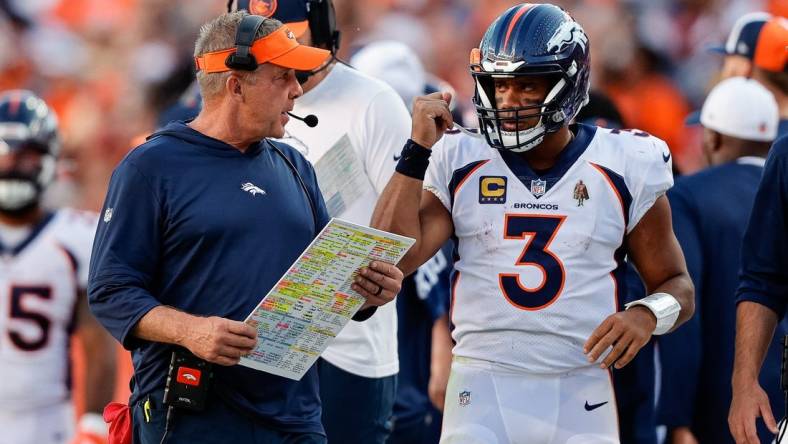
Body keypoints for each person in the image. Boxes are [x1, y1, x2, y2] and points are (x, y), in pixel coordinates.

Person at [371, 4, 695, 443]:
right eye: (500, 85)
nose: (508, 100)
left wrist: (644, 313)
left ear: (569, 84)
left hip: (581, 386)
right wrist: (415, 151)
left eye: (527, 85)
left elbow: (678, 286)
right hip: (482, 385)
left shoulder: (624, 164)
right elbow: (395, 257)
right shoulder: (459, 156)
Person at [88, 12, 403, 444]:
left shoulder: (295, 165)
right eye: (283, 77)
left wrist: (366, 292)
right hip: (194, 417)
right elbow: (110, 290)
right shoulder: (151, 166)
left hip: (294, 417)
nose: (297, 89)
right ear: (236, 85)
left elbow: (318, 282)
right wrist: (191, 331)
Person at [233, 2, 413, 442]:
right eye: (264, 40)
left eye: (292, 36)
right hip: (252, 344)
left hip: (347, 348)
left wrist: (375, 283)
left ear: (326, 32)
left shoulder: (373, 102)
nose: (281, 52)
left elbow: (408, 227)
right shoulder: (232, 106)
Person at [657, 77, 780, 444]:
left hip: (723, 411)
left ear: (712, 138)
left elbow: (682, 309)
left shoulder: (690, 195)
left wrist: (676, 419)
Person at [351, 39, 455, 444]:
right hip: (376, 378)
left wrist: (441, 367)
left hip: (400, 387)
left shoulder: (433, 178)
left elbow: (426, 274)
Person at [0, 90, 116, 444]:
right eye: (4, 154)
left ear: (51, 160)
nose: (13, 166)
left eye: (28, 156)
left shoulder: (75, 237)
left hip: (46, 420)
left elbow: (98, 344)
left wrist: (94, 423)